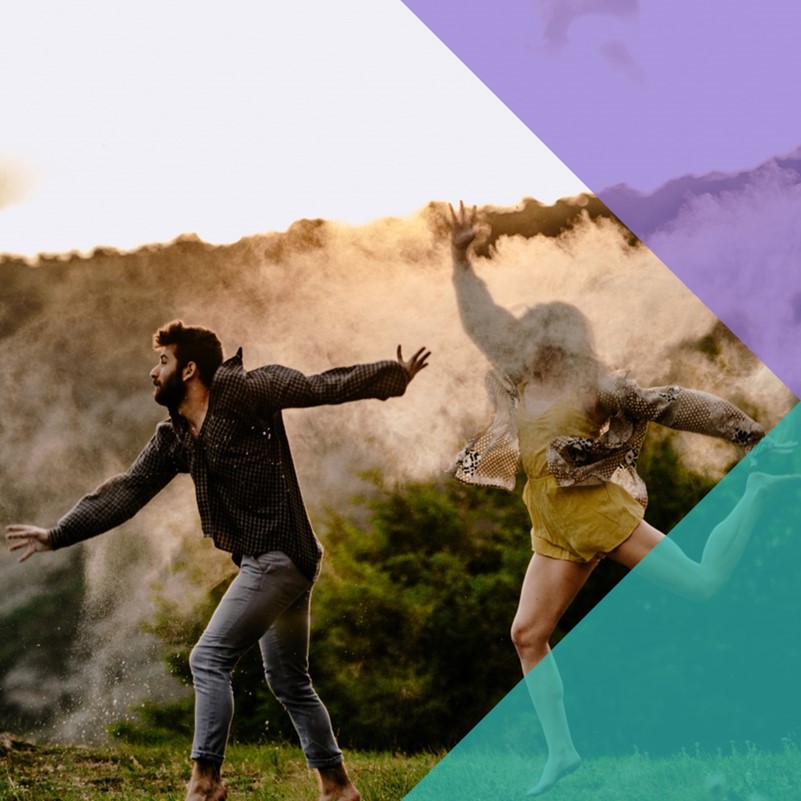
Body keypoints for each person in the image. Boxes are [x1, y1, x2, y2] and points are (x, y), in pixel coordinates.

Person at [447, 202, 793, 796]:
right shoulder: (519, 376)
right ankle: (562, 755)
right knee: (528, 635)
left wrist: (744, 433)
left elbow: (674, 402)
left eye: (537, 332)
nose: (523, 338)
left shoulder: (599, 384)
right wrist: (460, 259)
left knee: (704, 585)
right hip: (551, 523)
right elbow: (484, 321)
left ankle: (757, 493)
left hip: (596, 512)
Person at [6, 320, 430, 801]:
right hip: (272, 561)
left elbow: (317, 386)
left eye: (162, 361)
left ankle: (205, 782)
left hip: (281, 557)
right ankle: (337, 787)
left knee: (208, 659)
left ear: (189, 369)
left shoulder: (247, 391)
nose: (152, 371)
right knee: (289, 680)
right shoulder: (176, 437)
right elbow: (126, 491)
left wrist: (391, 375)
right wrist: (58, 534)